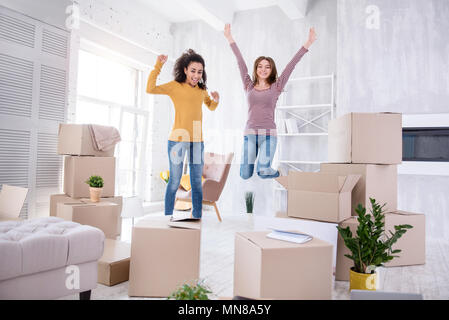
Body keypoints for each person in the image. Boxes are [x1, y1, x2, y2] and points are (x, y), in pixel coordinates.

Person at [224, 24, 317, 179]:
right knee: (245, 174)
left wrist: (308, 43)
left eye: (267, 67)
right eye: (260, 66)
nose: (263, 69)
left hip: (269, 136)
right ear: (256, 69)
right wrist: (230, 38)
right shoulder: (248, 85)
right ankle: (255, 166)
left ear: (271, 69)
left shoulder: (277, 86)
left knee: (262, 172)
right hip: (250, 134)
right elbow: (241, 63)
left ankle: (277, 172)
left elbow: (291, 65)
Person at [146, 49, 220, 219]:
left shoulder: (202, 90)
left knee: (196, 183)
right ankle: (167, 218)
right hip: (177, 140)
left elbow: (211, 106)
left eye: (199, 72)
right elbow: (150, 89)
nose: (196, 75)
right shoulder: (175, 86)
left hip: (197, 141)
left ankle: (196, 218)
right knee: (174, 181)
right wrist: (158, 65)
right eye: (193, 71)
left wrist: (216, 100)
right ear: (185, 69)